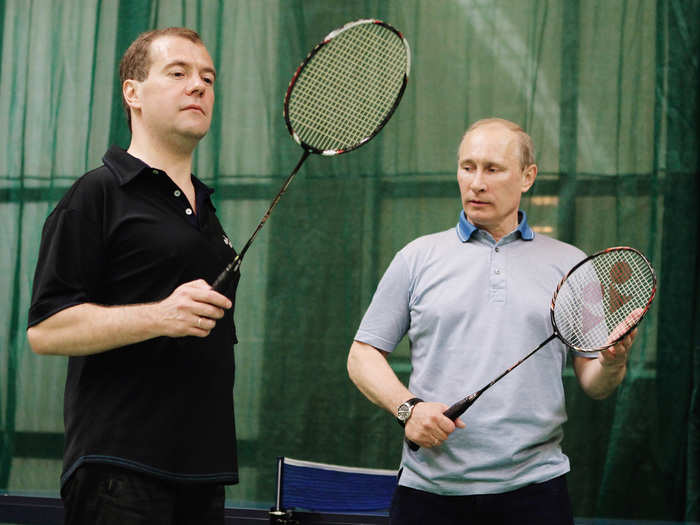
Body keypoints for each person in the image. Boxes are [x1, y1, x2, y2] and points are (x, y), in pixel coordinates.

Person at [346, 118, 637, 524]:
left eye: (493, 169)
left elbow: (595, 383)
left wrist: (612, 362)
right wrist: (408, 409)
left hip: (536, 492)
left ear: (527, 177)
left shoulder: (571, 265)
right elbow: (362, 355)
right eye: (468, 167)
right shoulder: (417, 257)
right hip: (429, 493)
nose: (477, 182)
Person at [27, 27, 239, 524]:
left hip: (202, 475)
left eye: (208, 77)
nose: (199, 86)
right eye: (178, 73)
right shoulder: (97, 194)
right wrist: (160, 316)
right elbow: (45, 329)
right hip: (119, 472)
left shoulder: (207, 215)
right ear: (132, 92)